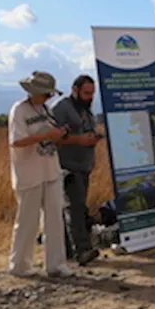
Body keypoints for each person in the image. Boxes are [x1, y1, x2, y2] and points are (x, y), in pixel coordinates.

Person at [7, 71, 74, 278]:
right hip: (29, 173)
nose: (48, 98)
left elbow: (51, 134)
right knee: (27, 220)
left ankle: (56, 264)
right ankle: (20, 265)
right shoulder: (19, 110)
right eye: (46, 94)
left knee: (55, 218)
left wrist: (59, 134)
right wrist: (46, 135)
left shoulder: (46, 109)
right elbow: (16, 142)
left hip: (51, 170)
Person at [50, 74, 102, 265]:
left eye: (92, 93)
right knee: (75, 207)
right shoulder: (61, 108)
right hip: (66, 166)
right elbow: (52, 137)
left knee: (75, 207)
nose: (90, 97)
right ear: (75, 90)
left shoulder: (86, 110)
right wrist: (79, 140)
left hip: (83, 165)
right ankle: (82, 250)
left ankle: (67, 251)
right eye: (86, 93)